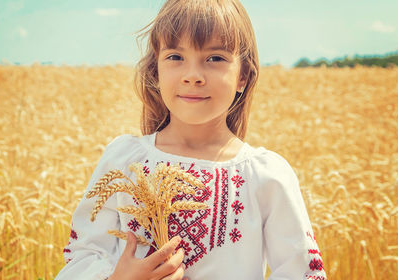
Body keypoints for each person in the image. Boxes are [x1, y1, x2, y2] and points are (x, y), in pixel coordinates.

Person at [55, 0, 327, 279]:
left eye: (215, 58)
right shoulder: (123, 160)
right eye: (175, 57)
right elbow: (81, 257)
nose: (193, 76)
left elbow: (301, 272)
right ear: (156, 70)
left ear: (243, 75)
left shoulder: (266, 175)